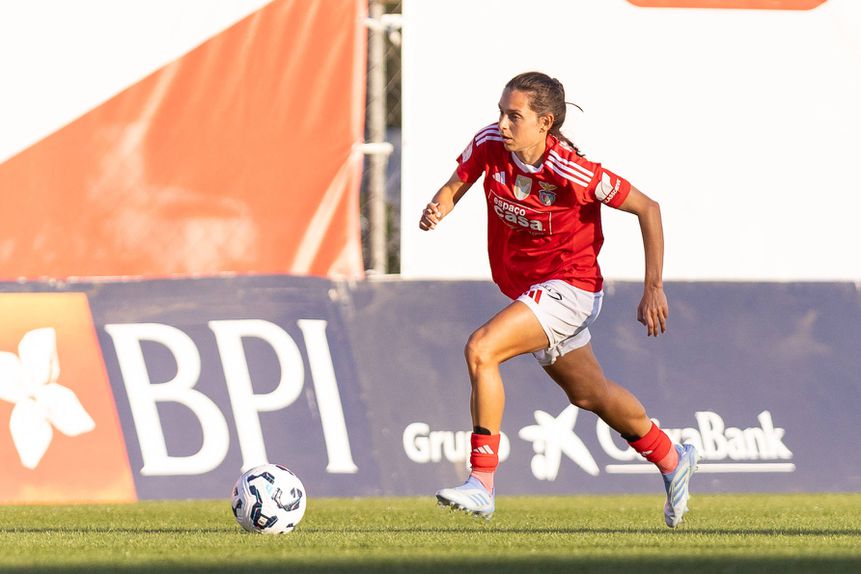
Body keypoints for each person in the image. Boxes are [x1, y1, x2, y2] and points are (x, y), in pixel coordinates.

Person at [419, 71, 698, 528]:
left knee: (481, 348)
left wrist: (654, 287)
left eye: (515, 116)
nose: (503, 124)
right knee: (590, 395)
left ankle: (482, 483)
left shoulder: (572, 170)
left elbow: (649, 208)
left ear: (545, 122)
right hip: (533, 291)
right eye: (501, 112)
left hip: (571, 288)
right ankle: (671, 457)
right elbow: (455, 185)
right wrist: (438, 208)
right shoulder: (490, 143)